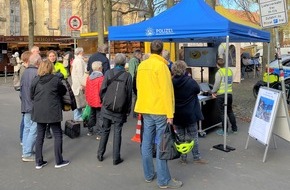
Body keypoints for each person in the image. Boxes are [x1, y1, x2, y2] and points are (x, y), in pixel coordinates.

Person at [134, 40, 182, 189]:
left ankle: (148, 175)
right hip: (160, 110)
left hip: (146, 108)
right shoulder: (162, 66)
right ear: (162, 51)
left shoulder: (142, 65)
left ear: (150, 50)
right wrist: (170, 114)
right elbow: (167, 92)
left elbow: (138, 87)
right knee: (162, 144)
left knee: (147, 142)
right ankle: (163, 180)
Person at [30, 60, 69, 169]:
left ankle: (38, 161)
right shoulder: (55, 80)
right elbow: (63, 91)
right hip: (52, 109)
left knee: (40, 135)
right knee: (57, 134)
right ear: (51, 68)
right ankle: (59, 160)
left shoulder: (35, 80)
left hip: (39, 110)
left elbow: (31, 95)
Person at [97, 53, 132, 165]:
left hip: (107, 107)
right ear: (124, 63)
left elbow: (102, 89)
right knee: (117, 132)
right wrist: (127, 110)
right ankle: (116, 158)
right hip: (120, 109)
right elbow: (129, 95)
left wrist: (104, 102)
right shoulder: (127, 76)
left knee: (105, 130)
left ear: (115, 62)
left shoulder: (108, 73)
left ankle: (100, 153)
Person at [171, 60, 208, 165]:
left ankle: (183, 158)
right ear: (184, 69)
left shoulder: (171, 82)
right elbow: (197, 90)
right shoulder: (190, 81)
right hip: (190, 114)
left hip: (177, 114)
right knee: (193, 136)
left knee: (181, 136)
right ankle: (196, 157)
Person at [20, 53, 42, 162]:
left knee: (27, 128)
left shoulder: (25, 72)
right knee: (34, 129)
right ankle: (27, 153)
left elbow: (21, 90)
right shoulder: (37, 74)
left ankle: (26, 150)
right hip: (34, 105)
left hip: (25, 104)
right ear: (38, 62)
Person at [211, 58, 238, 135]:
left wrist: (213, 92)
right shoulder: (229, 71)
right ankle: (234, 128)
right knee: (230, 111)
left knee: (222, 113)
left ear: (217, 65)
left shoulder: (219, 73)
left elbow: (217, 84)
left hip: (221, 95)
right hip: (229, 94)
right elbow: (231, 82)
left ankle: (224, 130)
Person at [45, 50, 68, 139]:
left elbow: (65, 74)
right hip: (49, 91)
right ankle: (47, 130)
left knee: (58, 110)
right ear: (48, 57)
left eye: (54, 56)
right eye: (50, 56)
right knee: (49, 112)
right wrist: (56, 75)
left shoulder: (59, 65)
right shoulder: (46, 65)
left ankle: (57, 128)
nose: (52, 57)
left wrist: (60, 75)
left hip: (58, 90)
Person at [85, 61, 104, 139]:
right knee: (99, 117)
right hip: (99, 100)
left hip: (91, 100)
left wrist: (87, 99)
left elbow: (87, 90)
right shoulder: (101, 78)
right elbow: (102, 91)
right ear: (99, 68)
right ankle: (99, 133)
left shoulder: (89, 78)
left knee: (92, 115)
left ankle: (90, 130)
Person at [18, 51, 33, 146]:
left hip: (26, 101)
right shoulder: (25, 70)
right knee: (27, 124)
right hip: (28, 101)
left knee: (26, 123)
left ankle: (24, 141)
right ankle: (25, 143)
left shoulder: (25, 69)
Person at [71, 47, 87, 121]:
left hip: (76, 83)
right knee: (79, 100)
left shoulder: (76, 60)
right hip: (78, 84)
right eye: (83, 52)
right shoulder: (79, 61)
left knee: (78, 100)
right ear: (80, 52)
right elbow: (81, 74)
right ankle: (77, 116)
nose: (84, 53)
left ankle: (78, 115)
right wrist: (83, 84)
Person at [128, 49, 142, 118]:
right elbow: (132, 72)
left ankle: (134, 113)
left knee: (134, 98)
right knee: (134, 98)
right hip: (134, 82)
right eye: (140, 54)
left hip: (135, 81)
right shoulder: (134, 61)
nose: (141, 56)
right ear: (137, 54)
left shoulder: (135, 61)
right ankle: (133, 113)